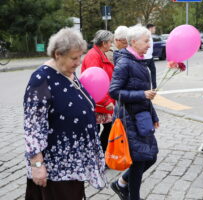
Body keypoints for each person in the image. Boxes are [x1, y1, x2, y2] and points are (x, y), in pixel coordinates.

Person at [23, 28, 106, 200]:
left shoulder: (68, 72)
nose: (79, 62)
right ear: (58, 54)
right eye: (74, 58)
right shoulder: (41, 79)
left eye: (80, 57)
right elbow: (33, 127)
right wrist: (37, 165)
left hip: (73, 164)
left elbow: (71, 106)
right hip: (56, 167)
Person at [109, 25, 159, 200]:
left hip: (142, 118)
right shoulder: (124, 63)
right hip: (129, 119)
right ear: (134, 42)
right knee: (139, 161)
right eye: (146, 41)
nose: (149, 44)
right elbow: (114, 92)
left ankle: (121, 183)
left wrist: (154, 116)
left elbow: (145, 94)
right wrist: (142, 94)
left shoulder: (139, 60)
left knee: (151, 157)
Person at [81, 30, 115, 155]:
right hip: (98, 101)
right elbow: (94, 82)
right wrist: (105, 101)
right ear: (104, 42)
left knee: (106, 127)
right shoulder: (93, 56)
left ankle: (99, 153)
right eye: (110, 42)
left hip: (101, 100)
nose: (111, 44)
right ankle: (97, 154)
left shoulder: (100, 54)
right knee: (100, 128)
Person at [144, 23, 157, 89]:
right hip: (145, 58)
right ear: (150, 28)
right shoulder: (146, 35)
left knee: (153, 71)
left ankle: (154, 87)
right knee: (144, 73)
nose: (155, 29)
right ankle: (146, 87)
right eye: (154, 28)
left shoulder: (150, 35)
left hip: (150, 57)